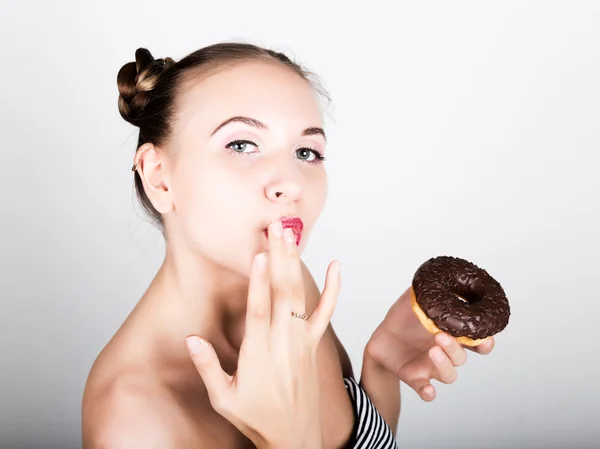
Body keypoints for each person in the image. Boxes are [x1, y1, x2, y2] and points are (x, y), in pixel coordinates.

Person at [81, 42, 496, 449]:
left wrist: (382, 363)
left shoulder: (293, 290)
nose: (292, 183)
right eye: (241, 145)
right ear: (159, 177)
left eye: (306, 151)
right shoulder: (134, 419)